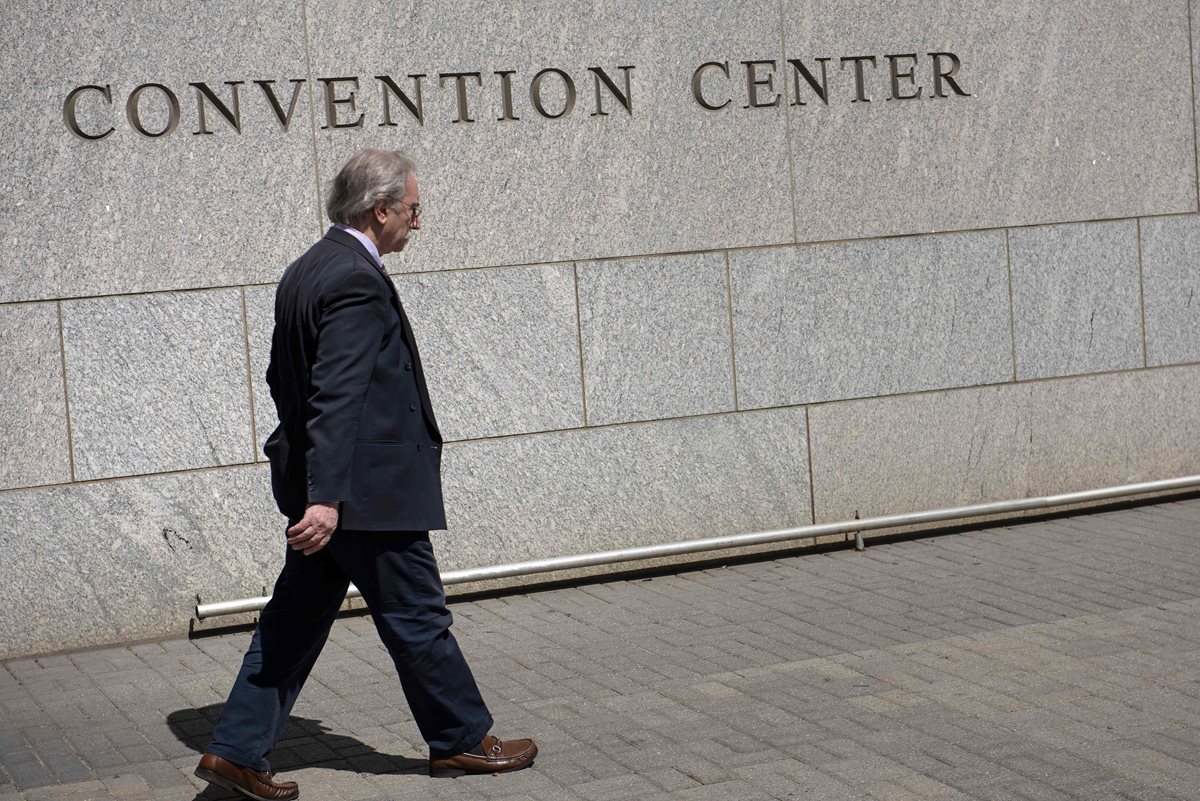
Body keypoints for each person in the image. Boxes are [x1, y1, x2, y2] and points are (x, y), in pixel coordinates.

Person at [194, 149, 537, 800]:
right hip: (365, 495)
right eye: (413, 210)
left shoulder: (305, 269)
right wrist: (327, 498)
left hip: (334, 489)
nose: (416, 222)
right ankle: (463, 739)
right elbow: (336, 394)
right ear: (381, 211)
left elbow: (281, 380)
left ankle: (235, 752)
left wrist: (311, 482)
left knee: (293, 621)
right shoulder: (354, 277)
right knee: (418, 618)